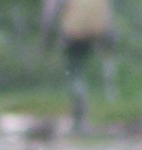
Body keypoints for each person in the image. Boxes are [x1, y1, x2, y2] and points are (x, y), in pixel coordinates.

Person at [41, 0, 115, 134]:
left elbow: (50, 12)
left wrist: (46, 39)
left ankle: (80, 120)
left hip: (73, 33)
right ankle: (87, 116)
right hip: (94, 32)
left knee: (74, 74)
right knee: (81, 69)